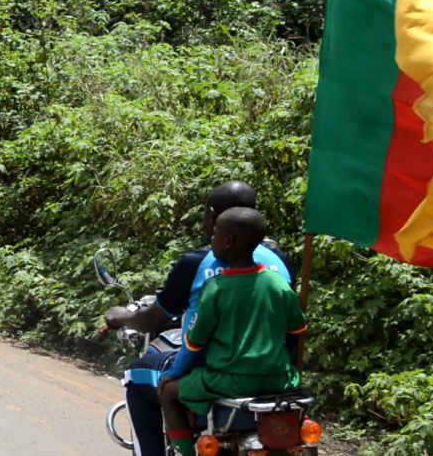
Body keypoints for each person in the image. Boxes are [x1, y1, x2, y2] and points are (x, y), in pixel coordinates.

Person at [103, 181, 293, 456]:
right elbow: (295, 325)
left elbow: (158, 324)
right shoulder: (279, 263)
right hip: (274, 370)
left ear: (214, 216)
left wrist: (120, 316)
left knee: (135, 375)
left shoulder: (199, 265)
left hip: (215, 371)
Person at [157, 207, 306, 456]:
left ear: (228, 241)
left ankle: (183, 451)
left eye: (214, 235)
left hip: (230, 381)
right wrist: (287, 369)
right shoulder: (278, 283)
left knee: (168, 393)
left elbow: (194, 343)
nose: (211, 239)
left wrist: (173, 374)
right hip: (279, 379)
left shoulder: (215, 288)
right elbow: (296, 332)